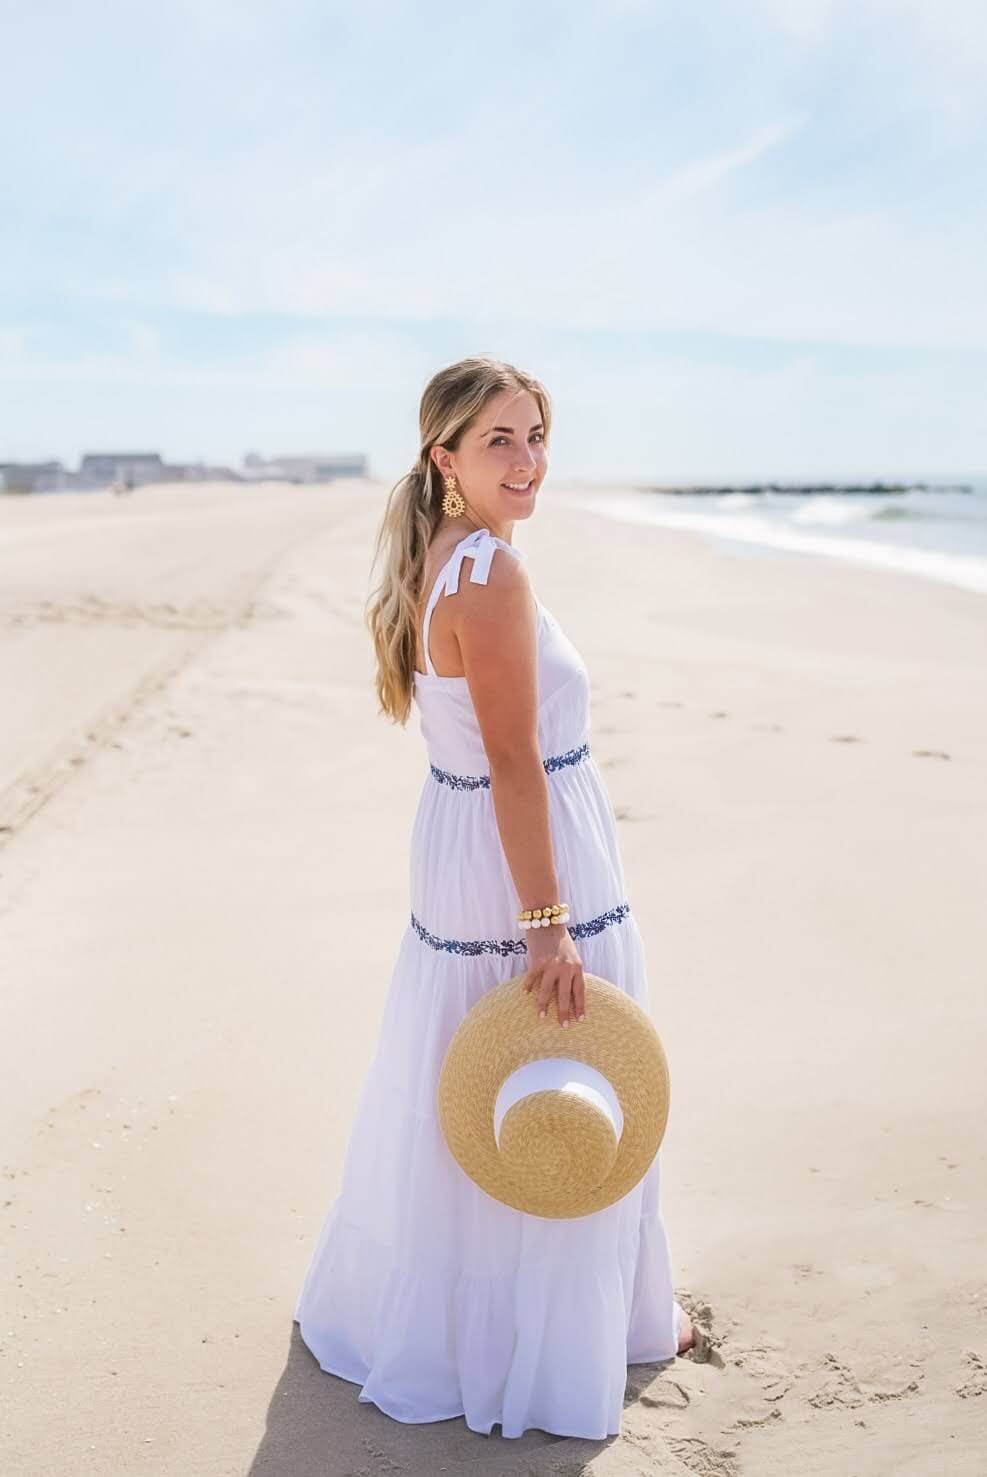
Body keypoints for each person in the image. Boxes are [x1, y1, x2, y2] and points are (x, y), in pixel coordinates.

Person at [293, 355, 693, 1441]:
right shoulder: (494, 576)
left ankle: (477, 1324)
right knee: (559, 1058)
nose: (527, 462)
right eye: (499, 442)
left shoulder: (436, 556)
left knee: (479, 1069)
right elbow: (517, 760)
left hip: (461, 835)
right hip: (519, 846)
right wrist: (548, 925)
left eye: (535, 436)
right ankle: (555, 1339)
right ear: (446, 460)